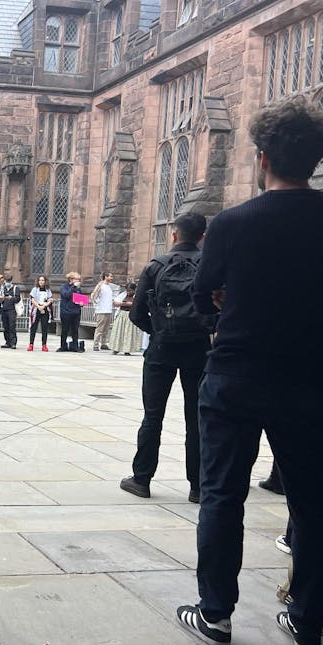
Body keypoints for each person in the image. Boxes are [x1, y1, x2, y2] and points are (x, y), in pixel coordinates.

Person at [176, 98, 323, 645]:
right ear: (318, 155)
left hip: (236, 374)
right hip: (309, 379)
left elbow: (201, 293)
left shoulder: (231, 223)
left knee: (223, 497)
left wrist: (224, 312)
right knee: (313, 502)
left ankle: (216, 615)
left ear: (261, 158)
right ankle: (306, 619)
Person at [120, 212, 210, 505]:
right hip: (198, 349)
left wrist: (158, 330)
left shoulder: (156, 265)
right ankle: (197, 486)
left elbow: (135, 313)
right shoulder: (209, 265)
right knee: (196, 418)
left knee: (153, 415)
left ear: (174, 235)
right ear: (202, 237)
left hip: (161, 349)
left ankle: (142, 479)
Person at [108, 282, 140, 355]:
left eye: (130, 291)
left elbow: (138, 304)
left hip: (130, 315)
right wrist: (125, 304)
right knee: (119, 332)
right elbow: (115, 303)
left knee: (128, 333)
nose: (128, 292)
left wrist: (131, 304)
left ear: (134, 290)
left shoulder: (137, 296)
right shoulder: (123, 295)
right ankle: (116, 348)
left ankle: (127, 349)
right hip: (122, 315)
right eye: (127, 290)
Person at [91, 272, 117, 351]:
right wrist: (96, 303)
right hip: (101, 310)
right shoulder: (100, 285)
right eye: (110, 276)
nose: (112, 278)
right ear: (105, 277)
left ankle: (103, 343)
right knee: (100, 328)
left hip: (108, 309)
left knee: (106, 328)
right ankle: (96, 344)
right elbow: (94, 296)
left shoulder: (109, 287)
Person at [57, 271, 83, 352]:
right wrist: (73, 287)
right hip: (66, 312)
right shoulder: (64, 287)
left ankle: (75, 346)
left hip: (76, 312)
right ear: (71, 279)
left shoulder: (78, 289)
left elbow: (79, 298)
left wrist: (81, 303)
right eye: (77, 279)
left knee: (75, 330)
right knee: (65, 329)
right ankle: (63, 346)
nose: (78, 281)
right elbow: (66, 295)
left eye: (79, 279)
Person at [28, 275, 53, 352]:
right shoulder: (35, 289)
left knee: (44, 328)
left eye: (43, 280)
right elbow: (32, 299)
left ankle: (44, 345)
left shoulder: (48, 290)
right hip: (36, 309)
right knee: (34, 327)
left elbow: (50, 300)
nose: (41, 282)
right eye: (40, 280)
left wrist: (44, 306)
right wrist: (39, 307)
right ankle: (31, 344)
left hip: (45, 309)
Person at [1, 274, 20, 349]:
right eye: (6, 281)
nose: (7, 282)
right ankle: (7, 342)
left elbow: (18, 299)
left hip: (12, 310)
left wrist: (11, 298)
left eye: (9, 281)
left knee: (12, 326)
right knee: (5, 326)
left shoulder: (15, 288)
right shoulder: (2, 288)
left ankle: (13, 342)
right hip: (4, 309)